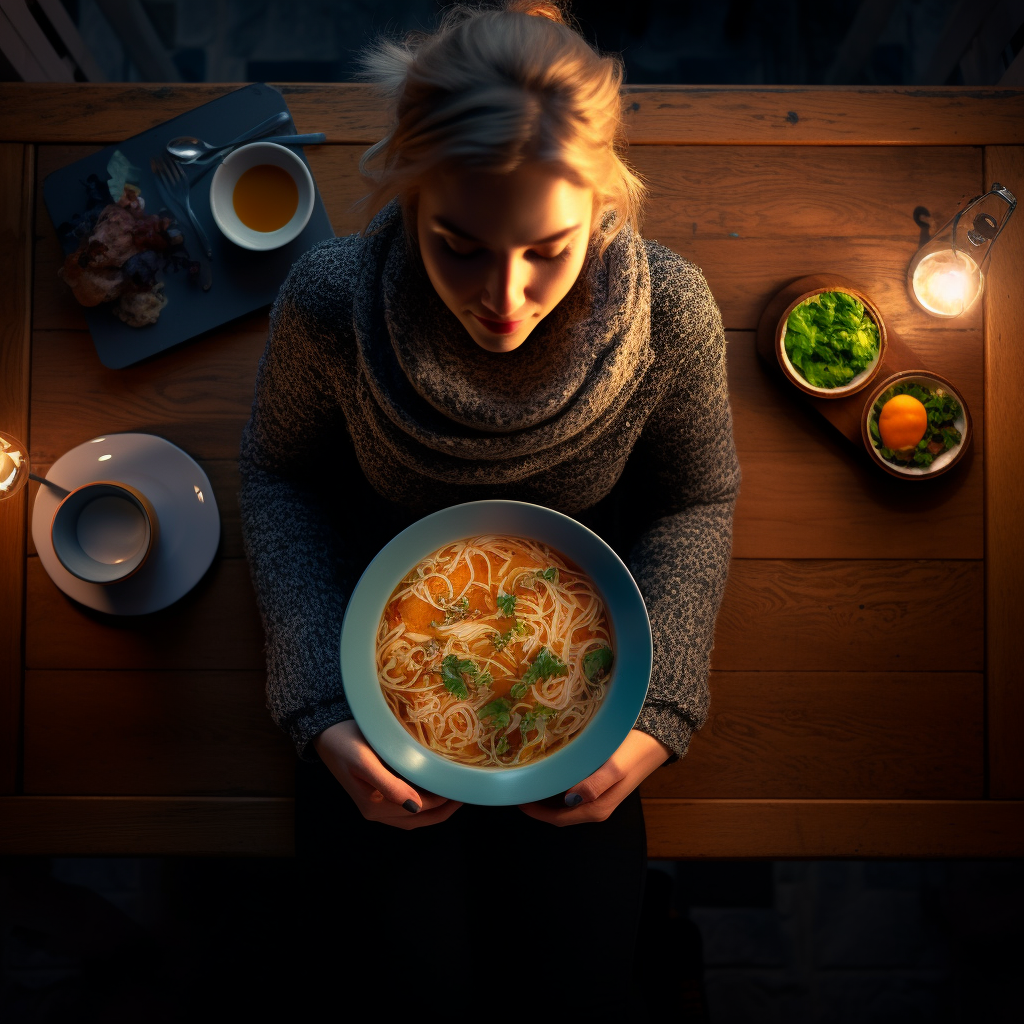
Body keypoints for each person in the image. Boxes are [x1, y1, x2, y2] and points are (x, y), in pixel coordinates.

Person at [239, 1, 739, 1015]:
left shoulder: (672, 318)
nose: (503, 298)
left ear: (603, 206)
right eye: (457, 244)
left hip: (586, 693)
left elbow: (695, 492)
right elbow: (279, 470)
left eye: (546, 249)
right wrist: (319, 704)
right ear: (409, 189)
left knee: (577, 984)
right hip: (367, 664)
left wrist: (660, 704)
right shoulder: (330, 301)